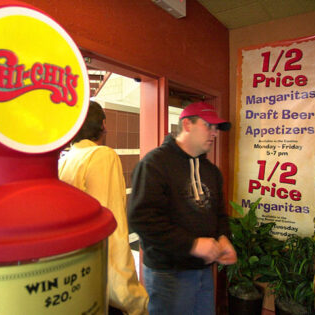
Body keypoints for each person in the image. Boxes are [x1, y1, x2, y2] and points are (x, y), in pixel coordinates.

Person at [127, 101, 237, 315]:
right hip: (168, 274)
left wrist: (223, 237)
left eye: (216, 128)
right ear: (187, 124)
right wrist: (192, 244)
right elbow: (142, 219)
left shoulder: (211, 171)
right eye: (209, 126)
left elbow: (219, 214)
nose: (215, 133)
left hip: (204, 270)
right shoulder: (154, 164)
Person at [58, 101, 149, 315]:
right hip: (100, 284)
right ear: (103, 124)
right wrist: (131, 296)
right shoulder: (101, 156)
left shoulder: (64, 160)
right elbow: (112, 231)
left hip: (72, 279)